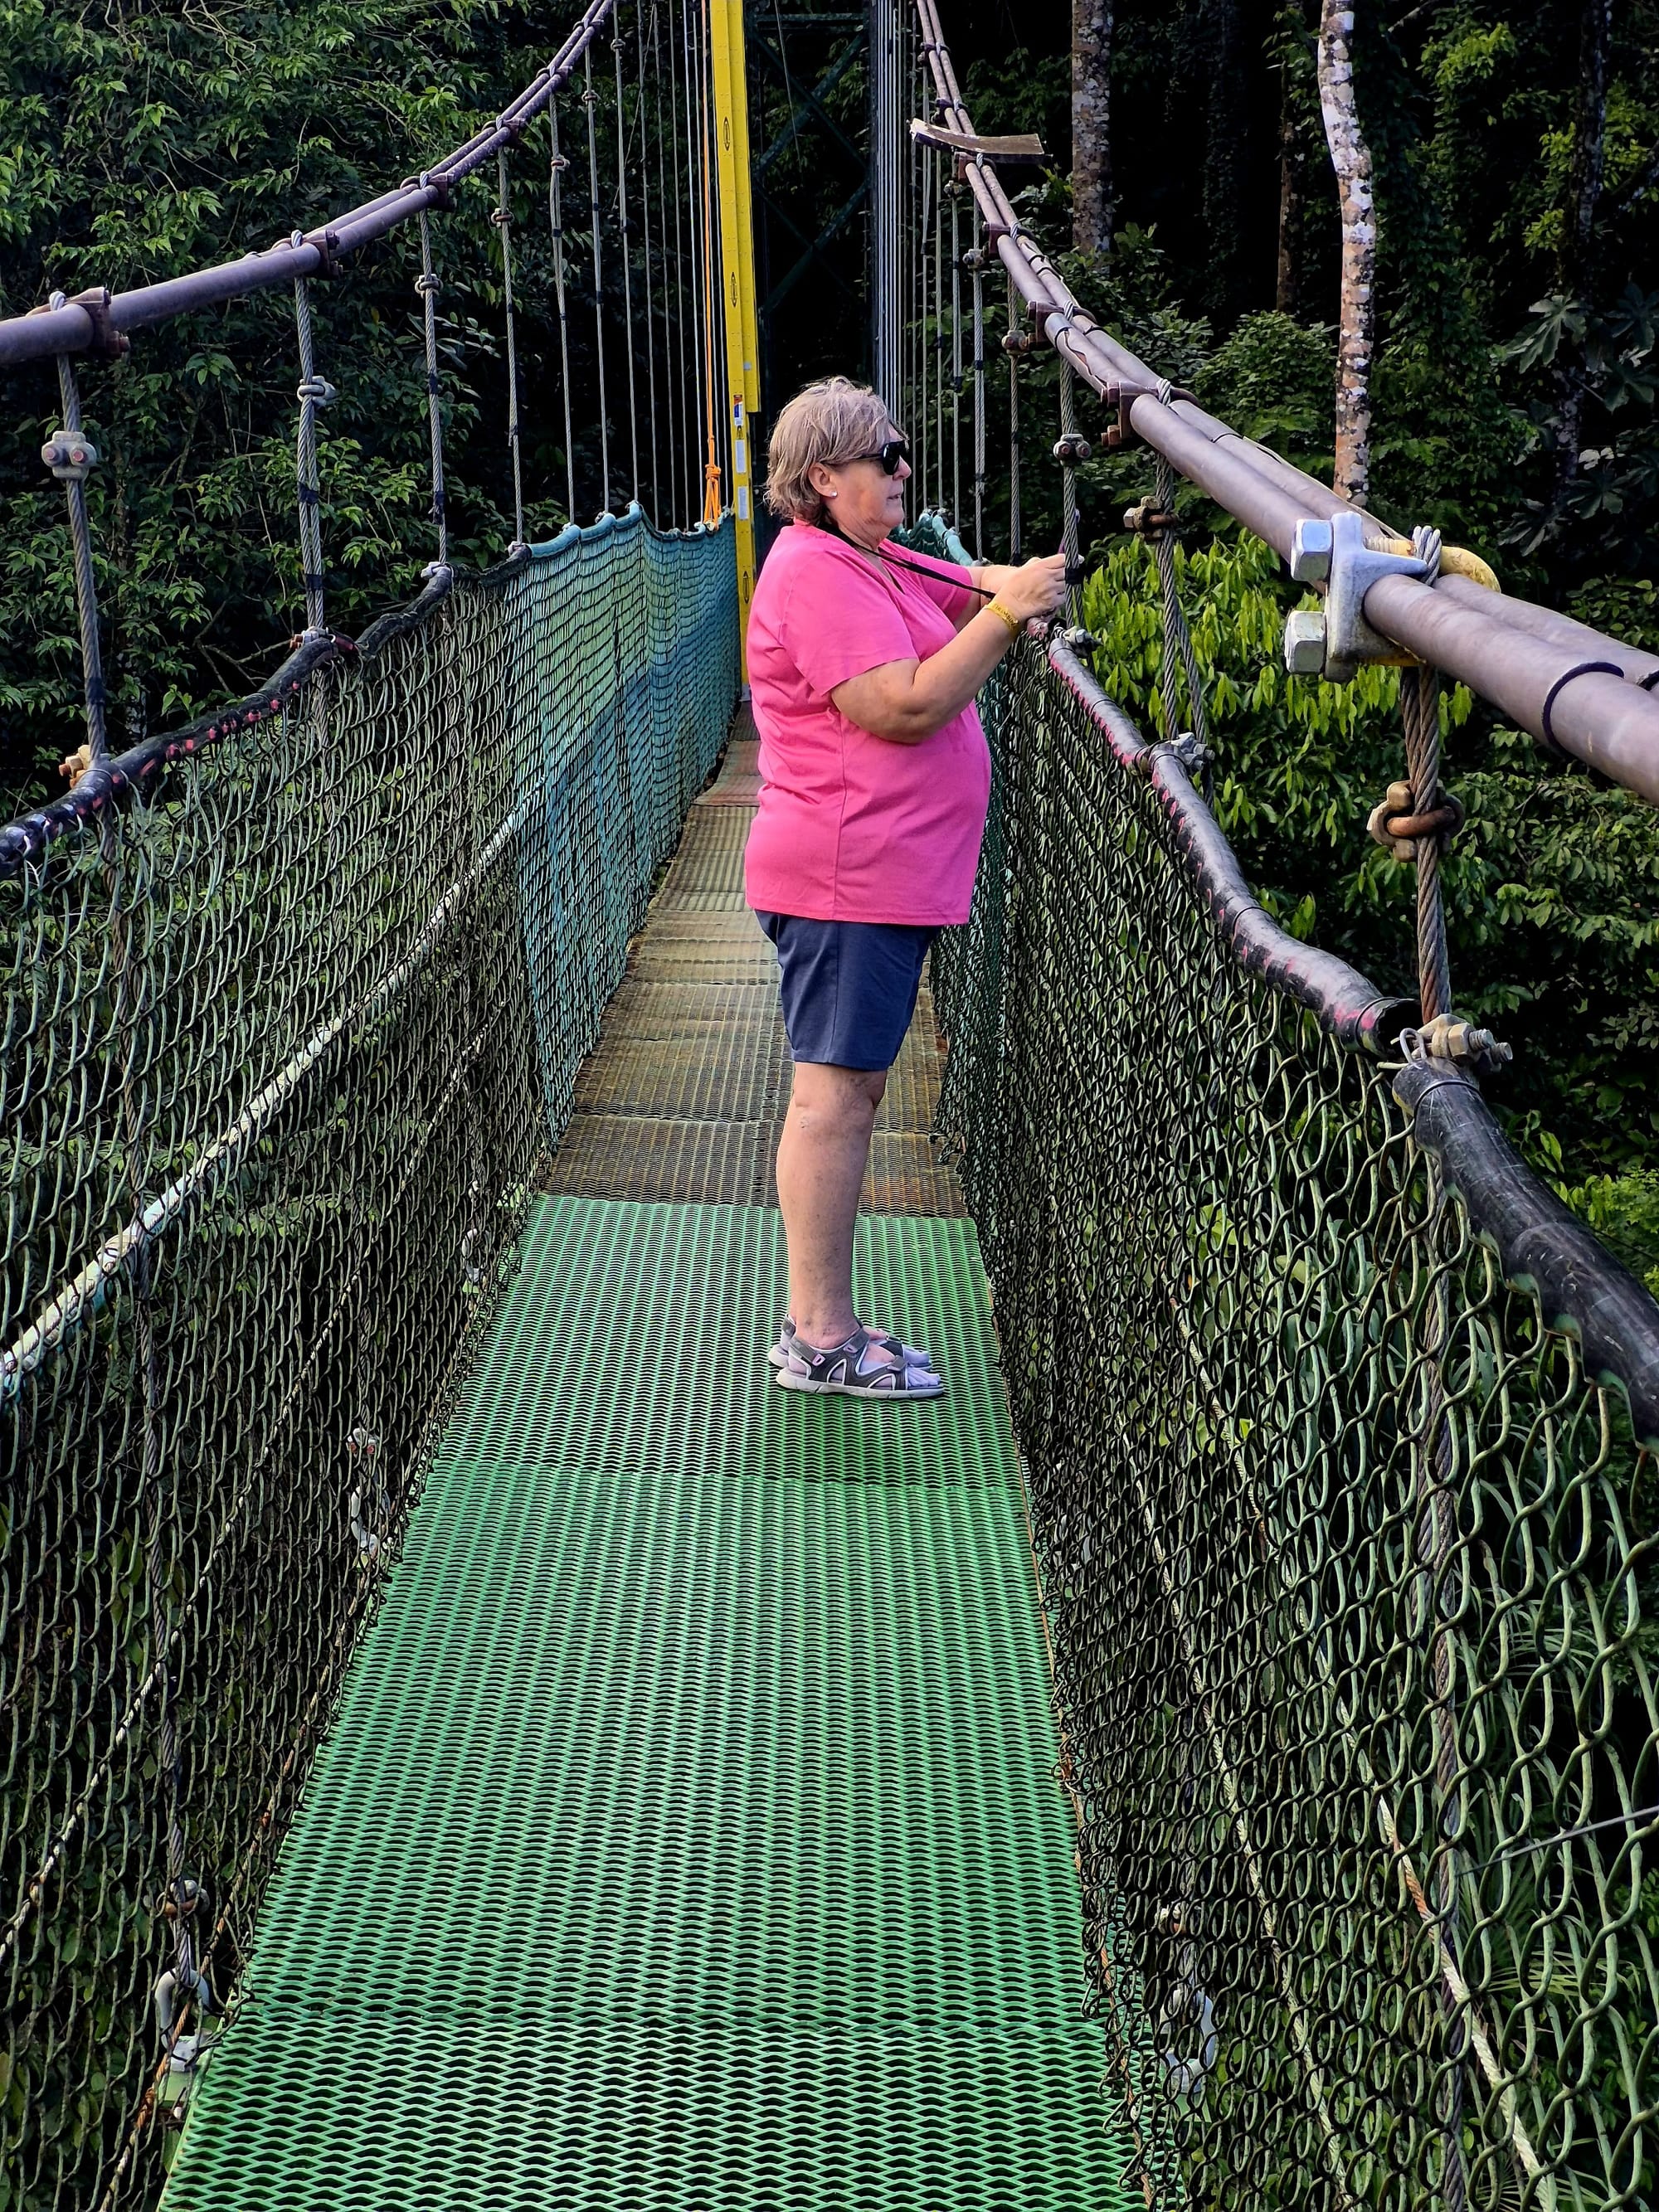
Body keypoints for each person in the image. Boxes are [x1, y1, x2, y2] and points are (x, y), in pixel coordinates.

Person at [744, 375, 1068, 1399]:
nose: (902, 470)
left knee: (850, 1090)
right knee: (834, 1100)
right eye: (884, 457)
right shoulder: (811, 574)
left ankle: (821, 1324)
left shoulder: (867, 559)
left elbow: (960, 594)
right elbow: (901, 705)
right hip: (845, 877)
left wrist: (1005, 588)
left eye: (900, 450)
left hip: (880, 876)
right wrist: (1009, 614)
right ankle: (818, 1338)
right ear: (822, 479)